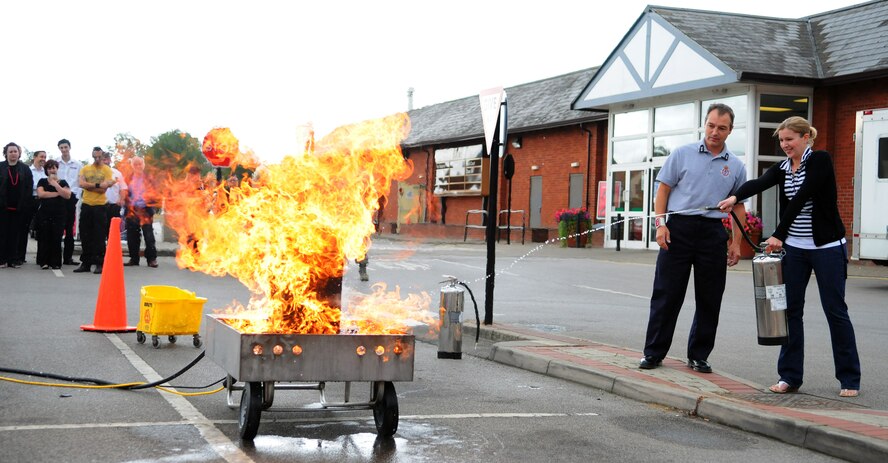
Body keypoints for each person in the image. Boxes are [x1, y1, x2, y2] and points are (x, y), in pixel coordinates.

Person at [718, 116, 861, 398]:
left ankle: (849, 378)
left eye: (790, 139)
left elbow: (802, 196)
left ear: (806, 137)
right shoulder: (783, 168)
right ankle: (790, 376)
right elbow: (759, 182)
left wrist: (778, 233)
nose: (785, 145)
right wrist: (735, 198)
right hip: (795, 249)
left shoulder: (820, 160)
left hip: (827, 247)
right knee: (790, 311)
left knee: (835, 310)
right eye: (782, 140)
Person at [639, 103, 748, 374]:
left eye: (721, 128)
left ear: (730, 131)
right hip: (678, 229)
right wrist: (661, 225)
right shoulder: (682, 154)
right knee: (667, 294)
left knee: (710, 298)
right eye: (711, 125)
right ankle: (653, 352)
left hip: (712, 234)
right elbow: (663, 191)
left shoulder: (735, 165)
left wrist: (735, 243)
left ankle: (699, 355)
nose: (715, 131)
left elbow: (739, 207)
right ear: (705, 125)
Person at [73, 147, 114, 274]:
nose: (97, 159)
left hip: (100, 206)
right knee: (85, 235)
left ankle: (99, 262)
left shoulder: (107, 170)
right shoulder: (85, 168)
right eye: (95, 157)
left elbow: (104, 189)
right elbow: (81, 184)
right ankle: (86, 262)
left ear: (102, 156)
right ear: (92, 156)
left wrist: (89, 186)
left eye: (99, 157)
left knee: (99, 236)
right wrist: (96, 185)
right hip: (86, 205)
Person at [1, 143, 34, 268]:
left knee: (16, 234)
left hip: (19, 207)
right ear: (6, 153)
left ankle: (14, 259)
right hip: (2, 207)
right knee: (3, 233)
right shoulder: (1, 167)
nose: (13, 153)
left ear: (19, 153)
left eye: (15, 151)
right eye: (10, 151)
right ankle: (2, 259)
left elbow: (29, 187)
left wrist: (25, 204)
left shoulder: (25, 169)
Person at [36, 159, 71, 269]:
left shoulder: (63, 182)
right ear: (46, 170)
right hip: (45, 213)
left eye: (53, 168)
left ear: (57, 169)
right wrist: (57, 193)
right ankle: (44, 261)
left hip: (59, 214)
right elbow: (41, 194)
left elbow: (67, 195)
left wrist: (56, 185)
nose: (52, 170)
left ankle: (55, 262)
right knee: (44, 237)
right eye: (49, 168)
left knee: (57, 237)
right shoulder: (42, 181)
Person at [123, 157, 158, 268]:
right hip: (132, 210)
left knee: (149, 236)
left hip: (145, 210)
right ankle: (134, 258)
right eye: (136, 164)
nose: (138, 166)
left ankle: (151, 259)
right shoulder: (128, 178)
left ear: (144, 165)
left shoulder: (149, 178)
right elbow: (124, 193)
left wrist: (152, 204)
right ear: (132, 166)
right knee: (132, 236)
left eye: (140, 164)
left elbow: (155, 193)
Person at [56, 139, 81, 266]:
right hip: (58, 197)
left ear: (69, 147)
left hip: (72, 198)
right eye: (61, 147)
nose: (64, 149)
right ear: (59, 149)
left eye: (66, 147)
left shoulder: (77, 164)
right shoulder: (56, 162)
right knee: (58, 228)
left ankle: (68, 258)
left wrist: (76, 197)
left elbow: (80, 181)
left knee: (69, 230)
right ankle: (55, 257)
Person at [19, 150, 48, 264]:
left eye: (45, 157)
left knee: (42, 229)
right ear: (35, 157)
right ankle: (20, 256)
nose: (43, 159)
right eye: (41, 156)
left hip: (42, 200)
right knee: (24, 229)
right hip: (29, 201)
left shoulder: (46, 172)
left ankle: (41, 257)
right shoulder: (28, 170)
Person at [102, 151, 128, 239]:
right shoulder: (96, 173)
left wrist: (121, 200)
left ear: (110, 160)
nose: (105, 161)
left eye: (106, 159)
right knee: (100, 231)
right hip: (100, 205)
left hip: (114, 205)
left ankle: (112, 249)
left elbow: (123, 188)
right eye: (103, 159)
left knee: (113, 231)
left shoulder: (117, 173)